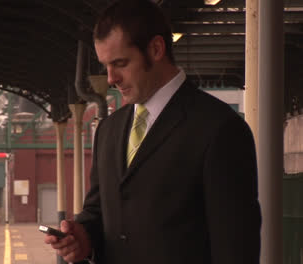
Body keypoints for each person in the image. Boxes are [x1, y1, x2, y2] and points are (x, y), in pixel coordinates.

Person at [44, 1, 261, 263]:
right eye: (106, 66)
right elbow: (98, 212)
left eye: (120, 63)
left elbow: (235, 249)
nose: (111, 78)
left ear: (156, 49)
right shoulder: (108, 131)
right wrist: (83, 238)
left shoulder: (220, 129)